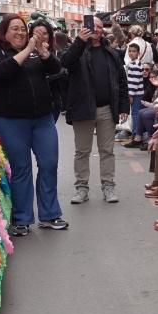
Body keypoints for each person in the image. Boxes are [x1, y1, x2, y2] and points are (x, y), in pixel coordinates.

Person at [0, 14, 67, 235]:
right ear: (4, 32)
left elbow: (55, 69)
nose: (20, 33)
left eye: (23, 29)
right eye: (15, 29)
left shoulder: (35, 52)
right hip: (10, 121)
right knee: (21, 169)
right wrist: (28, 49)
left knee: (49, 164)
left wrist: (45, 54)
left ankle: (50, 214)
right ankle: (21, 218)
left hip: (42, 119)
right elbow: (2, 71)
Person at [62, 16, 129, 204]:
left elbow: (121, 81)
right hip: (83, 109)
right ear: (86, 28)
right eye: (93, 26)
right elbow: (65, 62)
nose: (97, 30)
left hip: (107, 109)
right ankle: (81, 188)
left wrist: (124, 106)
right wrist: (80, 42)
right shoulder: (77, 50)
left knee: (107, 151)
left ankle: (108, 186)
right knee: (82, 151)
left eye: (100, 27)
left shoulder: (112, 53)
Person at [124, 43, 145, 145]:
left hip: (136, 93)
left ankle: (136, 135)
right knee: (135, 113)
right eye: (130, 51)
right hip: (136, 92)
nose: (131, 53)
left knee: (135, 114)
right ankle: (135, 134)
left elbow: (135, 81)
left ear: (138, 53)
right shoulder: (134, 63)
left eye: (134, 51)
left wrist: (131, 95)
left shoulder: (135, 65)